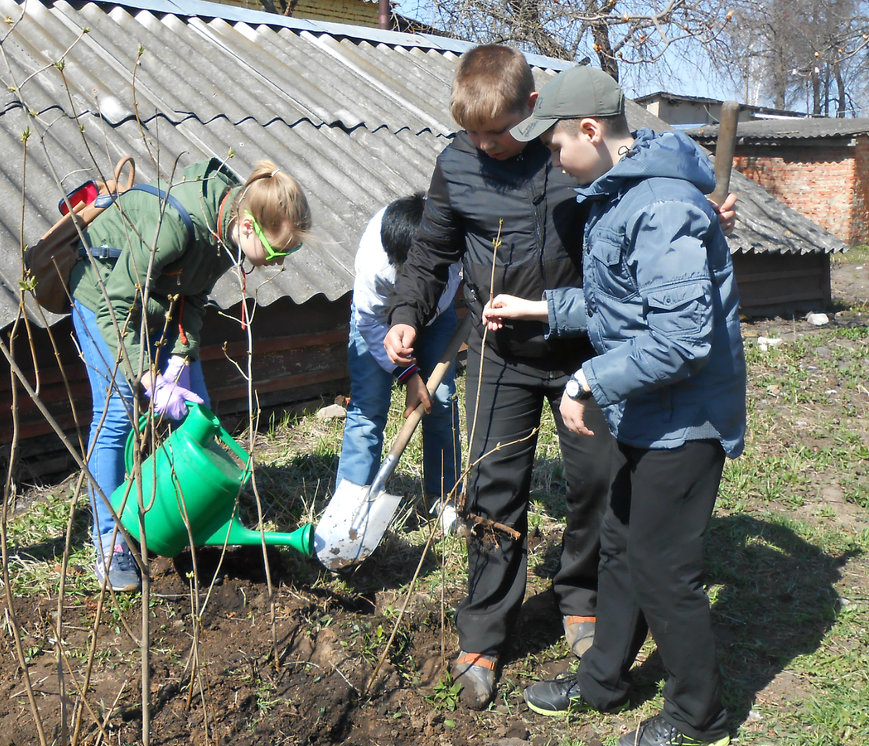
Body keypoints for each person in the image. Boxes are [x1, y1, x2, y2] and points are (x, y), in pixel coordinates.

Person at [385, 45, 736, 710]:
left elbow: (646, 205)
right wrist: (406, 312)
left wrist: (701, 217)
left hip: (586, 348)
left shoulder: (569, 153)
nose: (486, 145)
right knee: (492, 488)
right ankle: (484, 631)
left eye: (501, 131)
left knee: (599, 485)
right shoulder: (456, 164)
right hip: (500, 352)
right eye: (474, 132)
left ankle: (583, 601)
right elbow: (430, 250)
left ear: (533, 110)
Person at [482, 65, 746, 746]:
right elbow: (619, 306)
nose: (550, 159)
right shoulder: (618, 197)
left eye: (555, 146)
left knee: (664, 569)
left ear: (591, 131)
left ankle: (698, 711)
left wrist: (585, 380)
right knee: (622, 547)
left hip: (684, 418)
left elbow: (681, 339)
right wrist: (540, 307)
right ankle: (602, 680)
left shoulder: (659, 206)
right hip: (644, 408)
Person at [69, 158, 312, 592]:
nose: (278, 264)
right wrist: (147, 376)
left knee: (195, 414)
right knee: (117, 416)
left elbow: (193, 296)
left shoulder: (227, 228)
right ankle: (111, 539)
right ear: (249, 226)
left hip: (156, 304)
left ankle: (198, 513)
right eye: (277, 253)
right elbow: (116, 306)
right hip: (104, 294)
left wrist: (181, 356)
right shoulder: (178, 226)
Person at [336, 193, 461, 526]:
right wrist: (408, 374)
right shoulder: (374, 263)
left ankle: (442, 499)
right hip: (377, 322)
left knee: (441, 401)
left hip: (437, 317)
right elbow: (369, 322)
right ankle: (352, 507)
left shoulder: (452, 237)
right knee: (368, 408)